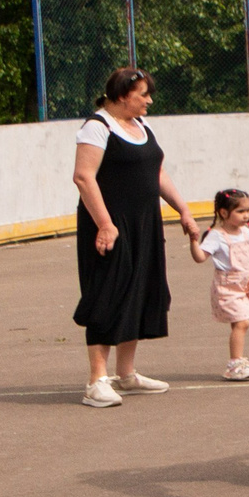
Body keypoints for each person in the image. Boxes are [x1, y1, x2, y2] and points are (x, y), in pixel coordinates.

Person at [73, 67, 202, 408]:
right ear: (120, 96)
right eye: (142, 94)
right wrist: (104, 224)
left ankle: (126, 374)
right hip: (110, 226)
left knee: (139, 291)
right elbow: (84, 178)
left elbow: (156, 172)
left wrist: (183, 210)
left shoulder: (143, 127)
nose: (149, 100)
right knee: (107, 293)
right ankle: (96, 381)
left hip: (145, 223)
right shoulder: (96, 127)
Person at [192, 189, 249, 381]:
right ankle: (235, 363)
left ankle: (239, 360)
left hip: (243, 285)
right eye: (240, 211)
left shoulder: (246, 232)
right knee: (242, 322)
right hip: (226, 287)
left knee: (241, 323)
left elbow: (248, 261)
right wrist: (193, 240)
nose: (246, 215)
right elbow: (200, 257)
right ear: (224, 213)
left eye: (248, 211)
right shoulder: (217, 236)